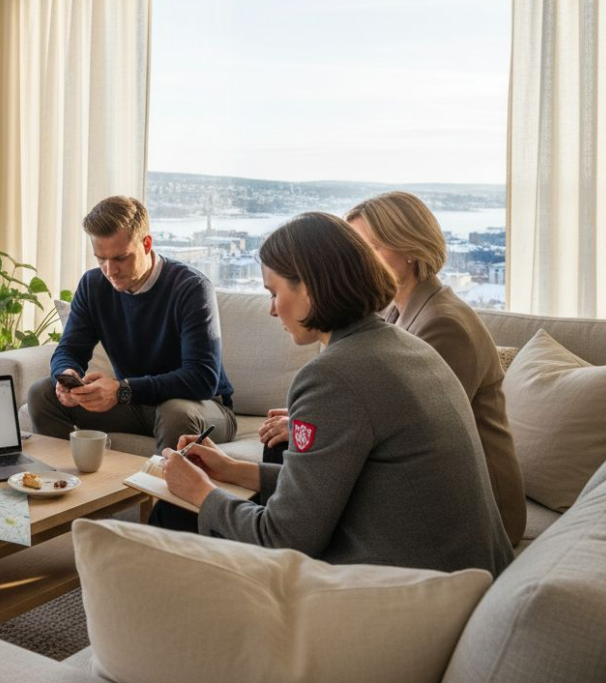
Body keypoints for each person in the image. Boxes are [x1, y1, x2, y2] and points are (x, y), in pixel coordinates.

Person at [152, 212, 513, 575]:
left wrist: (200, 491)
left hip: (408, 589)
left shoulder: (331, 376)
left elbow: (282, 537)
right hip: (460, 574)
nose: (272, 309)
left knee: (176, 511)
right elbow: (329, 485)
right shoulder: (409, 347)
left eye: (275, 292)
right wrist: (232, 469)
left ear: (309, 288)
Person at [257, 192, 526, 546]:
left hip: (465, 506)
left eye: (369, 248)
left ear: (409, 249)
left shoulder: (445, 324)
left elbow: (413, 421)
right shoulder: (394, 316)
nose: (354, 261)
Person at [27, 195, 236, 454]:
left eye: (120, 258)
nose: (109, 270)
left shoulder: (191, 288)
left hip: (202, 406)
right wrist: (67, 375)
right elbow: (69, 349)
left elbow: (201, 379)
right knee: (42, 394)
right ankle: (67, 485)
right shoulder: (93, 286)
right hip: (137, 403)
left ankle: (163, 494)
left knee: (174, 412)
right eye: (100, 258)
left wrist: (121, 390)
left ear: (146, 243)